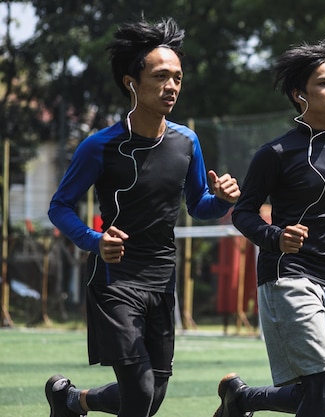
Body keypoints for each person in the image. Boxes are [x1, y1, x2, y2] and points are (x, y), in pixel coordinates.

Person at [45, 17, 240, 417]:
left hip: (162, 279)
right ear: (131, 82)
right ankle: (71, 401)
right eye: (161, 76)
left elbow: (199, 204)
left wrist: (220, 200)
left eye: (178, 78)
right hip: (116, 282)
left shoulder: (187, 141)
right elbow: (59, 206)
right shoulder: (99, 146)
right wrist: (95, 240)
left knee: (154, 393)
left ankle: (71, 401)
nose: (171, 86)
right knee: (139, 392)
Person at [213, 40, 325, 417]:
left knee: (313, 394)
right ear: (300, 94)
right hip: (287, 276)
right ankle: (241, 399)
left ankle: (241, 399)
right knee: (324, 382)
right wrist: (275, 237)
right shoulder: (274, 154)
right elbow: (244, 213)